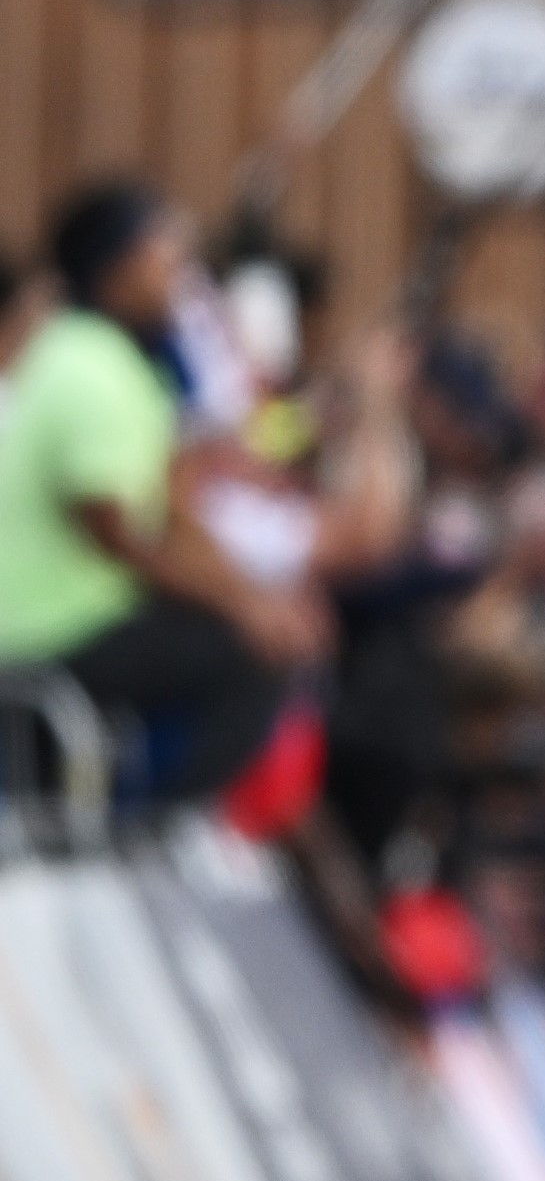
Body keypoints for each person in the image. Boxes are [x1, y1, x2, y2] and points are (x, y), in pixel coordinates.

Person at [0, 183, 321, 801]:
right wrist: (244, 611)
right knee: (247, 659)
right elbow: (114, 536)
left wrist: (257, 597)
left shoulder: (116, 363)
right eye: (168, 257)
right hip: (43, 632)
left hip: (85, 616)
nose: (183, 276)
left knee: (266, 631)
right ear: (116, 269)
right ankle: (149, 821)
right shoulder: (86, 366)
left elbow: (170, 514)